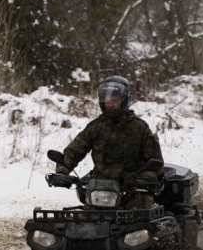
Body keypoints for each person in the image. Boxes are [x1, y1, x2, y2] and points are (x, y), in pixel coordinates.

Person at [57, 76, 164, 206]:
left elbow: (155, 161)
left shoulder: (139, 127)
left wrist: (148, 177)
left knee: (143, 210)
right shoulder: (96, 127)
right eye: (106, 100)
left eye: (114, 100)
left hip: (132, 189)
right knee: (83, 216)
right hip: (100, 187)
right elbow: (76, 148)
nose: (110, 104)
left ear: (124, 100)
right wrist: (63, 170)